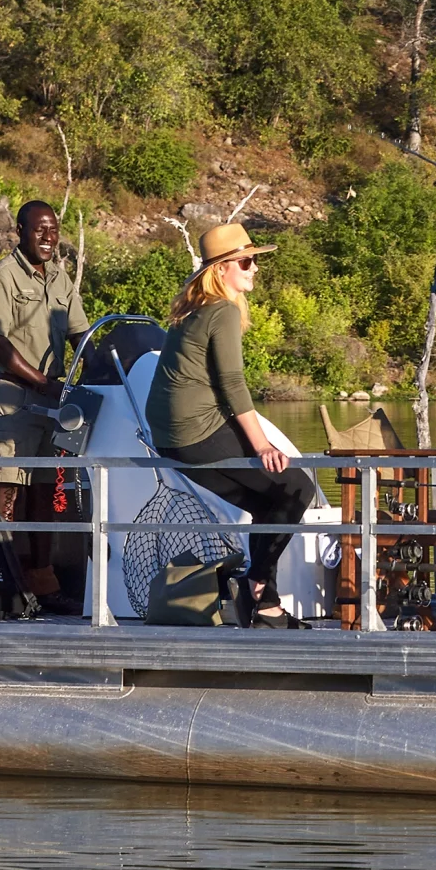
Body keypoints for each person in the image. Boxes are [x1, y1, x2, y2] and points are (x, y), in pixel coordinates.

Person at [148, 221, 319, 626]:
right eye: (246, 261)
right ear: (221, 269)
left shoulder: (197, 309)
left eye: (254, 260)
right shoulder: (221, 309)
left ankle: (265, 603)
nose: (254, 267)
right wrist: (262, 445)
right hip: (196, 430)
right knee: (297, 488)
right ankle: (256, 584)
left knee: (270, 501)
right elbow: (231, 383)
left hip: (172, 438)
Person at [0, 200, 89, 604]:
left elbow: (81, 337)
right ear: (20, 230)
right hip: (14, 395)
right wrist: (42, 384)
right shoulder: (3, 277)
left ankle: (42, 583)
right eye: (39, 229)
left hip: (55, 399)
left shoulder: (61, 279)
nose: (47, 237)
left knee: (44, 491)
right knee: (8, 486)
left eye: (53, 229)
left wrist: (105, 372)